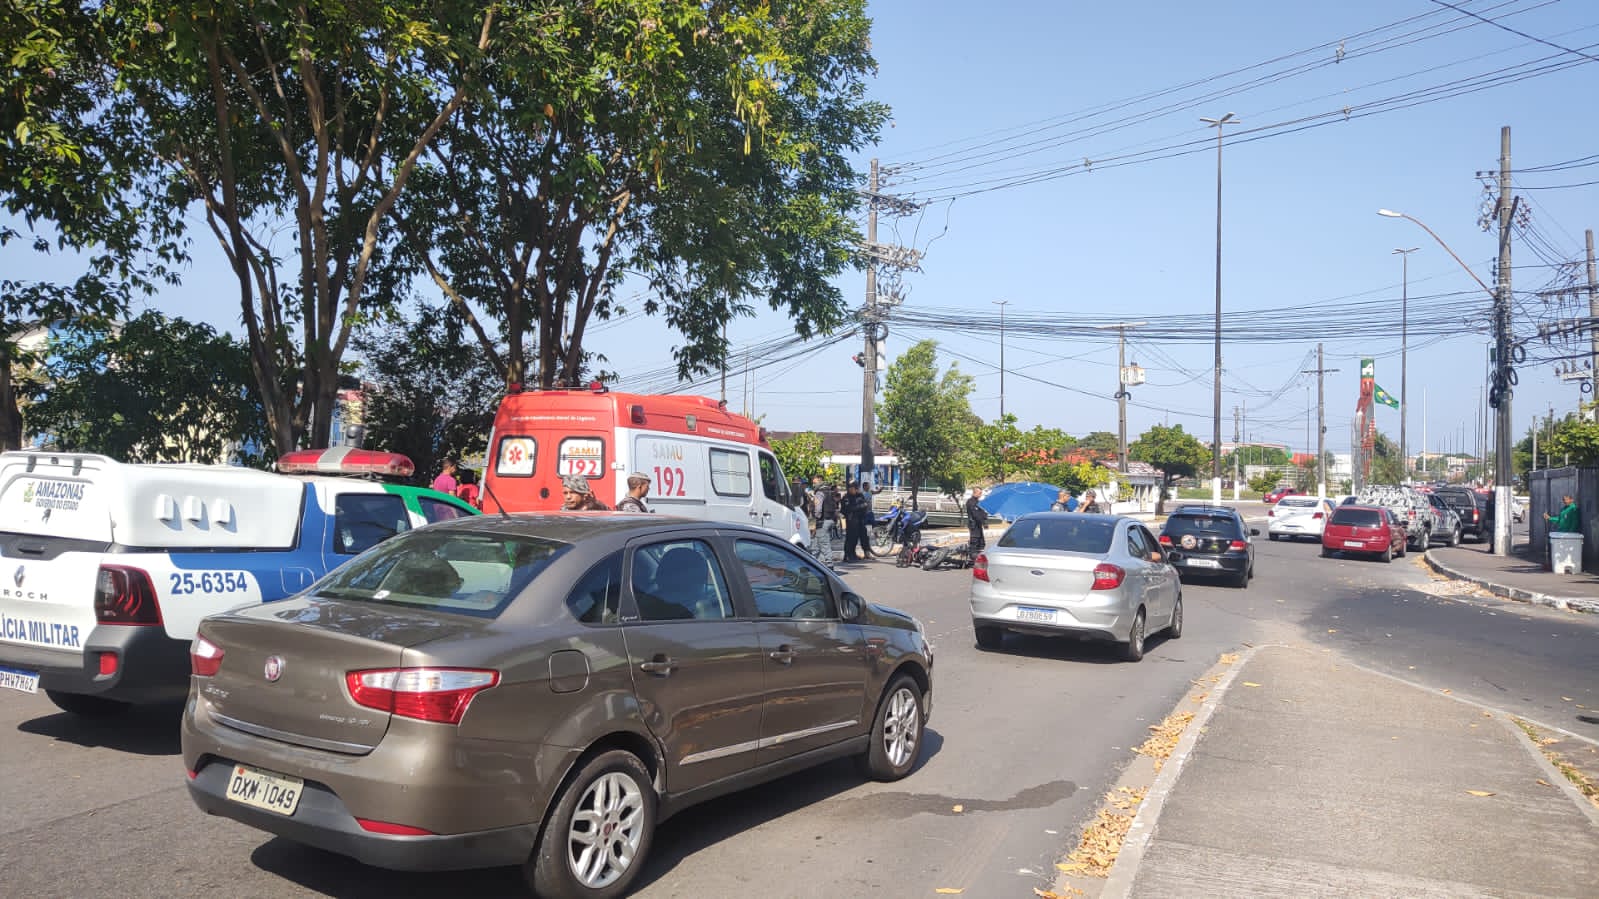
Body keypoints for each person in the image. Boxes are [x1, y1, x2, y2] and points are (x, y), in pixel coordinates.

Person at [841, 481, 873, 562]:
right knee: (851, 539)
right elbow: (848, 509)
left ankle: (856, 553)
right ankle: (848, 555)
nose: (855, 490)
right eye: (853, 488)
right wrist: (861, 506)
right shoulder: (846, 497)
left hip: (860, 520)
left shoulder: (859, 495)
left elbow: (865, 504)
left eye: (856, 488)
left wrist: (863, 507)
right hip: (851, 520)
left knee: (862, 537)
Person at [812, 481, 841, 563]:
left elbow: (818, 509)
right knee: (816, 544)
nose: (814, 485)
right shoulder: (830, 493)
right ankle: (816, 563)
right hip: (830, 520)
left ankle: (829, 563)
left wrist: (816, 518)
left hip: (822, 521)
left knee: (824, 544)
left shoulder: (819, 493)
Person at [965, 486, 989, 553]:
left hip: (978, 525)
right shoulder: (971, 502)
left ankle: (978, 557)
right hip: (974, 525)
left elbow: (982, 512)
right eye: (979, 493)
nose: (980, 495)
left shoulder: (977, 502)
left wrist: (985, 519)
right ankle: (972, 557)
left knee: (981, 543)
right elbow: (976, 514)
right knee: (975, 542)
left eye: (981, 493)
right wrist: (983, 522)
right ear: (975, 492)